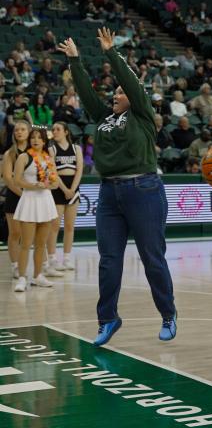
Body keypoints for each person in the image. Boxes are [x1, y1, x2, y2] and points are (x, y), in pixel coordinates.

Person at [58, 28, 176, 347]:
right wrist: (75, 61)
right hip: (109, 193)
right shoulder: (103, 118)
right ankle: (108, 319)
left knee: (152, 257)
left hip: (144, 189)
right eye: (114, 94)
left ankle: (168, 313)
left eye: (121, 93)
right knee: (109, 260)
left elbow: (131, 82)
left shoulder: (141, 115)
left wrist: (112, 52)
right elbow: (85, 93)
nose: (115, 96)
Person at [13, 127, 59, 292]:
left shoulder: (49, 159)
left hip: (45, 201)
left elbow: (54, 183)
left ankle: (38, 276)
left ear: (44, 141)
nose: (36, 140)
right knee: (25, 244)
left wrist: (46, 184)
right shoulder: (24, 157)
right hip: (29, 201)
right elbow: (17, 180)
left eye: (39, 138)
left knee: (41, 244)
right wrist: (33, 185)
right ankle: (22, 278)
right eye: (33, 137)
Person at [47, 122, 83, 271]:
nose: (55, 132)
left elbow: (79, 170)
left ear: (66, 132)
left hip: (73, 188)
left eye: (58, 129)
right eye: (53, 129)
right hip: (57, 188)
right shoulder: (52, 149)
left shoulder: (77, 149)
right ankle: (52, 258)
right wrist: (65, 189)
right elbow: (53, 172)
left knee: (69, 226)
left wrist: (72, 190)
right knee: (54, 226)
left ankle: (67, 258)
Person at [1, 120, 31, 279]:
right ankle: (14, 265)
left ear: (29, 132)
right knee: (15, 233)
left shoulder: (35, 152)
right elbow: (7, 178)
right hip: (15, 196)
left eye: (23, 129)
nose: (19, 132)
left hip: (33, 197)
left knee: (29, 234)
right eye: (17, 130)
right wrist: (22, 193)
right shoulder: (10, 153)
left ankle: (34, 265)